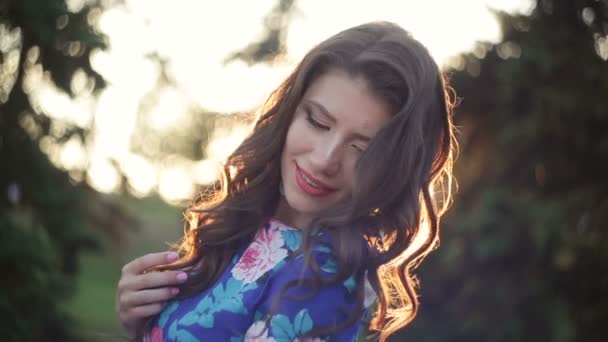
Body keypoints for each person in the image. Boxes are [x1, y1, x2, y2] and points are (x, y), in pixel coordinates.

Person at [116, 21, 457, 342]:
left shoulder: (323, 278)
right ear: (290, 111)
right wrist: (141, 320)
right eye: (318, 122)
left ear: (392, 167)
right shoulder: (243, 226)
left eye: (361, 149)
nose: (325, 159)